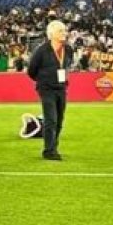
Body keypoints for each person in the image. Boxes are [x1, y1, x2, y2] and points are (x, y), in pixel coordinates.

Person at [27, 19, 73, 160]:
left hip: (61, 88)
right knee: (51, 119)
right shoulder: (41, 50)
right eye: (60, 31)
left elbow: (67, 66)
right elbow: (31, 70)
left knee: (59, 120)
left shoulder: (68, 50)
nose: (64, 33)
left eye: (64, 30)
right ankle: (48, 151)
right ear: (51, 34)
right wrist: (43, 80)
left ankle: (54, 147)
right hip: (46, 89)